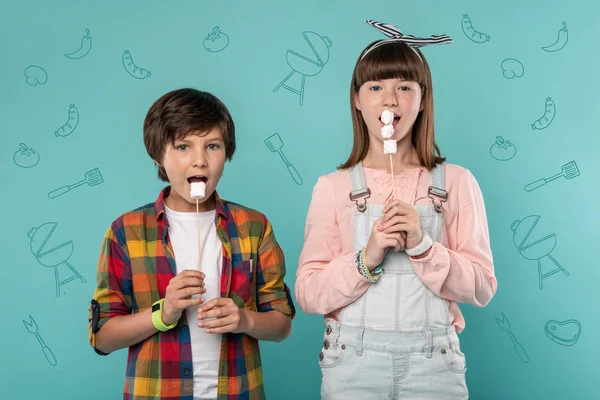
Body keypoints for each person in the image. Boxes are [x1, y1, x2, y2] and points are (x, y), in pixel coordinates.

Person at [295, 20, 497, 399]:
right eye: (376, 87)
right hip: (352, 363)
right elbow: (308, 293)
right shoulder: (333, 187)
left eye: (404, 87)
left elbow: (483, 287)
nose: (390, 100)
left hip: (434, 363)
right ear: (357, 99)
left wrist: (423, 247)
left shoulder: (456, 182)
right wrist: (366, 258)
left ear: (423, 99)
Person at [88, 88, 295, 400]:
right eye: (183, 147)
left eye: (212, 146)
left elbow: (281, 325)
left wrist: (244, 319)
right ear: (159, 155)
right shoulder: (125, 232)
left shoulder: (254, 227)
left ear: (227, 153)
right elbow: (102, 337)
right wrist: (164, 313)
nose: (200, 161)